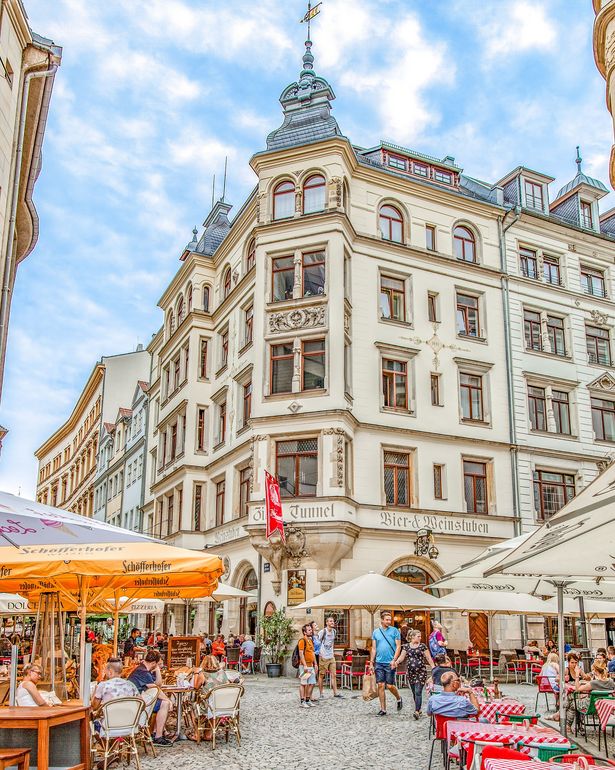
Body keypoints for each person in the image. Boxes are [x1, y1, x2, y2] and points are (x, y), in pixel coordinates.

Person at [128, 650, 173, 746]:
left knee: (164, 703)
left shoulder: (142, 669)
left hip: (137, 702)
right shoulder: (143, 672)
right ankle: (158, 736)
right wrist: (168, 700)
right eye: (158, 664)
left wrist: (157, 670)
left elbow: (157, 685)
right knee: (165, 704)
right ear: (153, 663)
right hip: (138, 705)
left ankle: (157, 733)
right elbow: (156, 689)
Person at [368, 610, 403, 717]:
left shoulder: (394, 631)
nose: (389, 621)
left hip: (390, 662)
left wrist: (394, 659)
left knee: (390, 685)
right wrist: (371, 662)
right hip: (379, 662)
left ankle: (398, 697)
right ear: (382, 620)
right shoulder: (376, 632)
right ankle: (383, 709)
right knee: (380, 685)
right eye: (387, 619)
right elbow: (373, 648)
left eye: (390, 619)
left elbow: (398, 646)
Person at [397, 628, 434, 719]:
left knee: (418, 691)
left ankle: (417, 711)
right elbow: (402, 657)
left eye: (420, 636)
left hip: (421, 671)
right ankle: (419, 708)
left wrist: (433, 667)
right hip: (410, 672)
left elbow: (428, 658)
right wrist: (396, 662)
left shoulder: (422, 646)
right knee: (414, 691)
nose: (420, 638)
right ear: (413, 637)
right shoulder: (406, 646)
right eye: (418, 636)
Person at [317, 616, 342, 699]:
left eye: (333, 621)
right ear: (326, 623)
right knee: (321, 675)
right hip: (323, 657)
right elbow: (317, 643)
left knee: (334, 675)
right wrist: (319, 653)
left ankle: (335, 693)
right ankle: (321, 693)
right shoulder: (322, 632)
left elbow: (332, 642)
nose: (332, 622)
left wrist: (332, 651)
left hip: (331, 656)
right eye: (330, 621)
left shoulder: (334, 631)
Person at [298, 623, 318, 709]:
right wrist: (305, 665)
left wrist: (315, 664)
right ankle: (302, 701)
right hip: (304, 666)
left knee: (312, 683)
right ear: (305, 632)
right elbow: (301, 654)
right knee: (303, 684)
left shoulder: (310, 640)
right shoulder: (302, 640)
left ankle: (308, 700)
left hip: (311, 665)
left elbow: (312, 653)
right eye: (309, 630)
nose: (311, 631)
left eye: (311, 629)